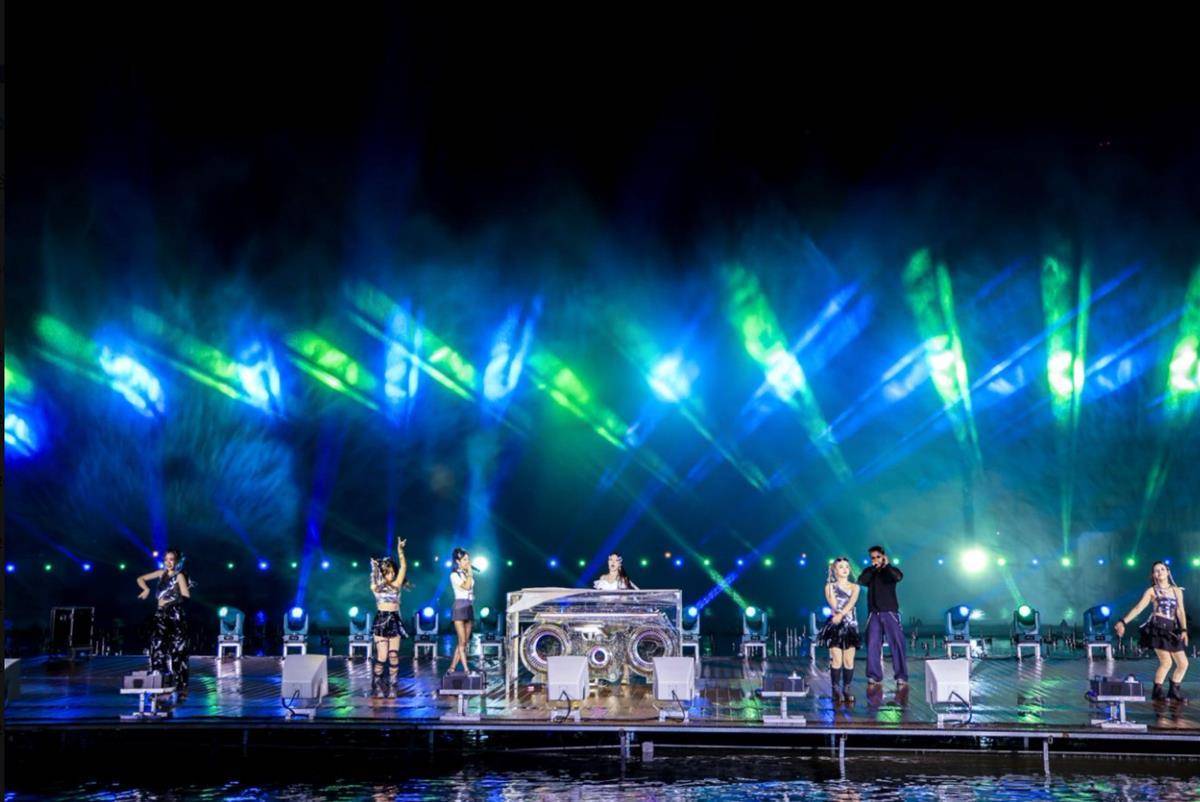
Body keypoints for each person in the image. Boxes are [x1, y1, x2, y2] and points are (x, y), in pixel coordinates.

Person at [1114, 561, 1189, 701]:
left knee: (1183, 663)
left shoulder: (1176, 590)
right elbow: (1138, 608)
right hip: (1157, 629)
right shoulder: (1151, 591)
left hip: (1172, 630)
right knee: (1166, 662)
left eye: (1162, 569)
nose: (1160, 572)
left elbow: (1180, 611)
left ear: (1168, 572)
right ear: (1153, 575)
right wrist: (1123, 622)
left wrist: (1184, 630)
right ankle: (1157, 691)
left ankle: (1174, 691)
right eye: (1156, 570)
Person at [136, 548, 192, 695]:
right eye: (166, 559)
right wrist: (146, 589)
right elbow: (140, 579)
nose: (168, 562)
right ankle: (159, 677)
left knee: (177, 648)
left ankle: (180, 682)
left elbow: (186, 595)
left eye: (171, 559)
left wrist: (170, 601)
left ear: (177, 561)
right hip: (161, 614)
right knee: (157, 644)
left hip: (174, 614)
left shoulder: (179, 576)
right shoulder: (161, 574)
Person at [856, 545, 908, 686]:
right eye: (873, 557)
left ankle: (901, 675)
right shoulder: (869, 571)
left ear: (883, 556)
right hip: (874, 613)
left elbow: (898, 577)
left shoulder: (891, 571)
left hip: (890, 611)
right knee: (872, 643)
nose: (875, 559)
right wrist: (874, 568)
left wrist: (886, 565)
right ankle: (874, 675)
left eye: (878, 557)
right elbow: (861, 581)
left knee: (897, 643)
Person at [368, 538, 410, 697]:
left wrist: (400, 551)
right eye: (388, 572)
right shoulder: (376, 587)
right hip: (381, 621)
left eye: (393, 571)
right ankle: (377, 682)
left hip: (394, 620)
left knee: (393, 654)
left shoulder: (397, 584)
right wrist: (375, 567)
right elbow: (374, 577)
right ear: (383, 573)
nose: (391, 574)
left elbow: (404, 566)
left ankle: (393, 684)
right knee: (382, 656)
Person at [821, 557, 861, 701]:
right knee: (837, 659)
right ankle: (836, 689)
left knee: (849, 660)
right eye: (841, 567)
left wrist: (841, 615)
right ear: (835, 570)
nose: (845, 569)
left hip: (850, 625)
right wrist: (831, 585)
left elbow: (851, 603)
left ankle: (847, 689)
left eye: (847, 567)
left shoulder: (855, 587)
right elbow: (834, 604)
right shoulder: (829, 587)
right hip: (835, 626)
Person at [448, 548, 476, 674]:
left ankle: (452, 668)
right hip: (459, 607)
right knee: (462, 640)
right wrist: (470, 573)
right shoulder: (454, 575)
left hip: (469, 607)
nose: (467, 562)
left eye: (468, 559)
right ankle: (466, 669)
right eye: (464, 559)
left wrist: (468, 573)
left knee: (464, 642)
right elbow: (466, 586)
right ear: (458, 561)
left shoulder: (466, 573)